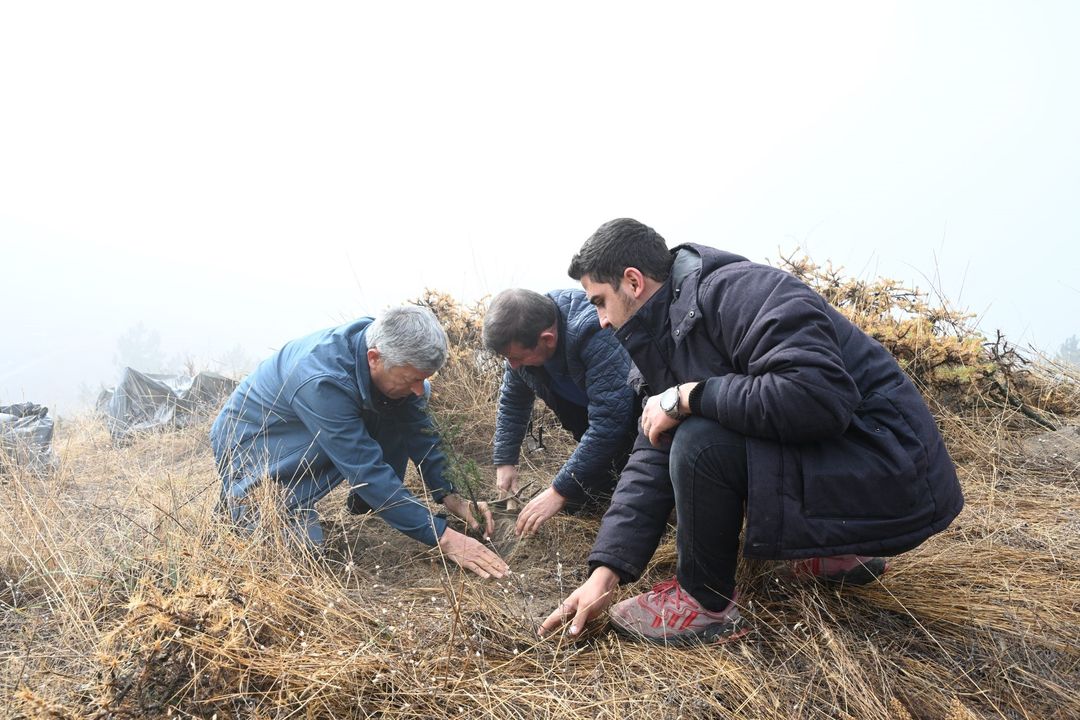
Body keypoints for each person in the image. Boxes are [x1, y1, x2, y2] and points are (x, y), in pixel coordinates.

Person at [539, 219, 963, 644]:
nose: (599, 321)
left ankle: (704, 603)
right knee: (686, 430)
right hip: (853, 460)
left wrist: (692, 396)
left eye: (599, 302)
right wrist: (605, 572)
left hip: (891, 463)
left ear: (632, 281)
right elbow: (651, 450)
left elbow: (817, 396)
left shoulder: (738, 291)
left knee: (699, 440)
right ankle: (831, 552)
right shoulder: (661, 339)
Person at [210, 305, 508, 580]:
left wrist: (452, 495)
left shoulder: (389, 357)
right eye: (411, 378)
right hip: (256, 440)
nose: (419, 389)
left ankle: (370, 507)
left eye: (424, 378)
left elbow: (423, 435)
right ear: (374, 358)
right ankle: (243, 506)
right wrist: (444, 537)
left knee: (402, 401)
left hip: (315, 425)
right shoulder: (322, 381)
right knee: (295, 555)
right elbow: (366, 470)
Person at [483, 289, 639, 535]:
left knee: (632, 507)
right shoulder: (524, 341)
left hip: (640, 423)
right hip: (592, 423)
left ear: (547, 339)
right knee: (582, 504)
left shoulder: (593, 333)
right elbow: (513, 402)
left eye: (515, 357)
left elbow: (610, 422)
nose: (511, 365)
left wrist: (559, 490)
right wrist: (505, 460)